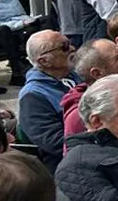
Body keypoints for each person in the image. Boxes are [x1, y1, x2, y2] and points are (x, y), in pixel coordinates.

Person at [18, 31, 75, 170]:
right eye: (64, 47)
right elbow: (54, 143)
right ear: (44, 61)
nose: (73, 49)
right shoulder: (33, 96)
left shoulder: (76, 76)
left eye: (70, 43)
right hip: (67, 166)